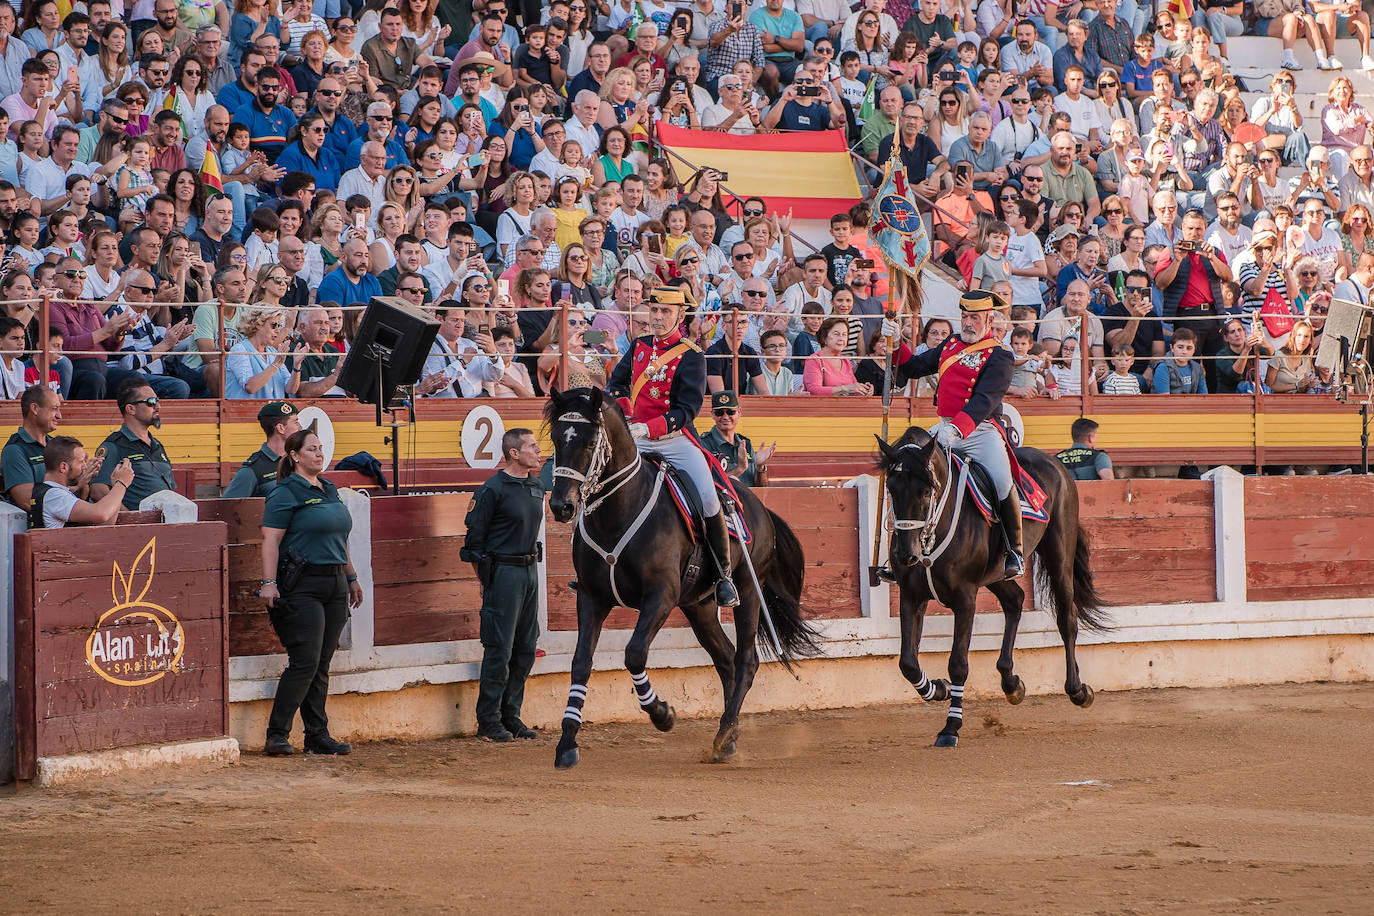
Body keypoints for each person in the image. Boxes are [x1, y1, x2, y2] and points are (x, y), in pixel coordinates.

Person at [606, 285, 740, 607]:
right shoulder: (638, 346)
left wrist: (648, 427)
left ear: (680, 315)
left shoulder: (692, 356)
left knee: (709, 496)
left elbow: (687, 410)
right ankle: (595, 564)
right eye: (653, 311)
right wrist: (626, 414)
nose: (657, 317)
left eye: (665, 311)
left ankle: (724, 576)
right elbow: (617, 383)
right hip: (635, 437)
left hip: (674, 439)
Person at [888, 289, 1023, 579]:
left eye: (974, 317)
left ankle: (1015, 551)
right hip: (945, 424)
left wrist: (957, 428)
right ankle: (895, 556)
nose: (968, 323)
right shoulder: (950, 345)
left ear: (989, 319)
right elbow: (913, 368)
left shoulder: (1000, 355)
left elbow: (984, 400)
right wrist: (897, 343)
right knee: (908, 472)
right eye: (964, 316)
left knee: (1002, 481)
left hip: (980, 430)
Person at [259, 426, 363, 757]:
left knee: (321, 662)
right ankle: (277, 734)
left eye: (321, 449)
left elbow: (339, 539)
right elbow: (270, 540)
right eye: (312, 449)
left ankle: (317, 735)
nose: (319, 454)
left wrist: (351, 576)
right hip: (302, 584)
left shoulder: (329, 488)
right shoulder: (285, 492)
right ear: (294, 456)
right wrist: (268, 583)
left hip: (333, 582)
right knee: (305, 660)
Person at [459, 427, 545, 743]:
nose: (538, 451)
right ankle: (489, 719)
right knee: (499, 648)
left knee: (525, 648)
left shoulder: (536, 485)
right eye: (532, 447)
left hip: (529, 570)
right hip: (504, 572)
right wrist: (487, 580)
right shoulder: (492, 489)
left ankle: (511, 715)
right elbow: (474, 543)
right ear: (514, 453)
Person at [89, 378, 176, 511]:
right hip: (136, 528)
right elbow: (98, 490)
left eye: (157, 401)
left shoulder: (158, 445)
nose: (158, 407)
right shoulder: (113, 445)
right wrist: (129, 518)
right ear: (131, 409)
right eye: (151, 402)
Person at [26, 435, 134, 528]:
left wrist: (115, 486)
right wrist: (122, 483)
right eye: (81, 462)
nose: (85, 466)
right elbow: (101, 514)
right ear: (63, 467)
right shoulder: (54, 496)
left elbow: (105, 524)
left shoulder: (51, 492)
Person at [224, 400, 302, 498]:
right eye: (296, 422)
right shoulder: (252, 470)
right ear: (280, 428)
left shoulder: (298, 460)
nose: (300, 427)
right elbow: (227, 506)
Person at [698, 390, 774, 487]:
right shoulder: (704, 444)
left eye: (730, 412)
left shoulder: (746, 443)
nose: (725, 417)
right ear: (712, 414)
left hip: (748, 501)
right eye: (719, 413)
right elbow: (709, 486)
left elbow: (761, 488)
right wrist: (740, 469)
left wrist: (760, 467)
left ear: (739, 412)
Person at [2, 384, 61, 507]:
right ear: (35, 409)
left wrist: (83, 483)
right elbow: (28, 501)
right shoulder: (14, 450)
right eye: (54, 408)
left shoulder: (56, 445)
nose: (59, 416)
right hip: (35, 525)